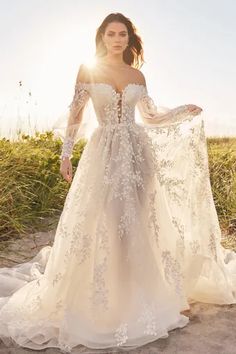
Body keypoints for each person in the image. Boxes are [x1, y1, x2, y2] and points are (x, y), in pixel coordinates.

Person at [0, 12, 235, 354]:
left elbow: (151, 116)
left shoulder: (138, 73)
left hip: (139, 156)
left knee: (139, 221)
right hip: (105, 154)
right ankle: (109, 298)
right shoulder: (89, 70)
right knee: (109, 221)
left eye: (122, 33)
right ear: (102, 37)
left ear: (129, 38)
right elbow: (76, 115)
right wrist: (66, 155)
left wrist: (182, 111)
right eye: (111, 33)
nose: (116, 39)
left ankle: (150, 294)